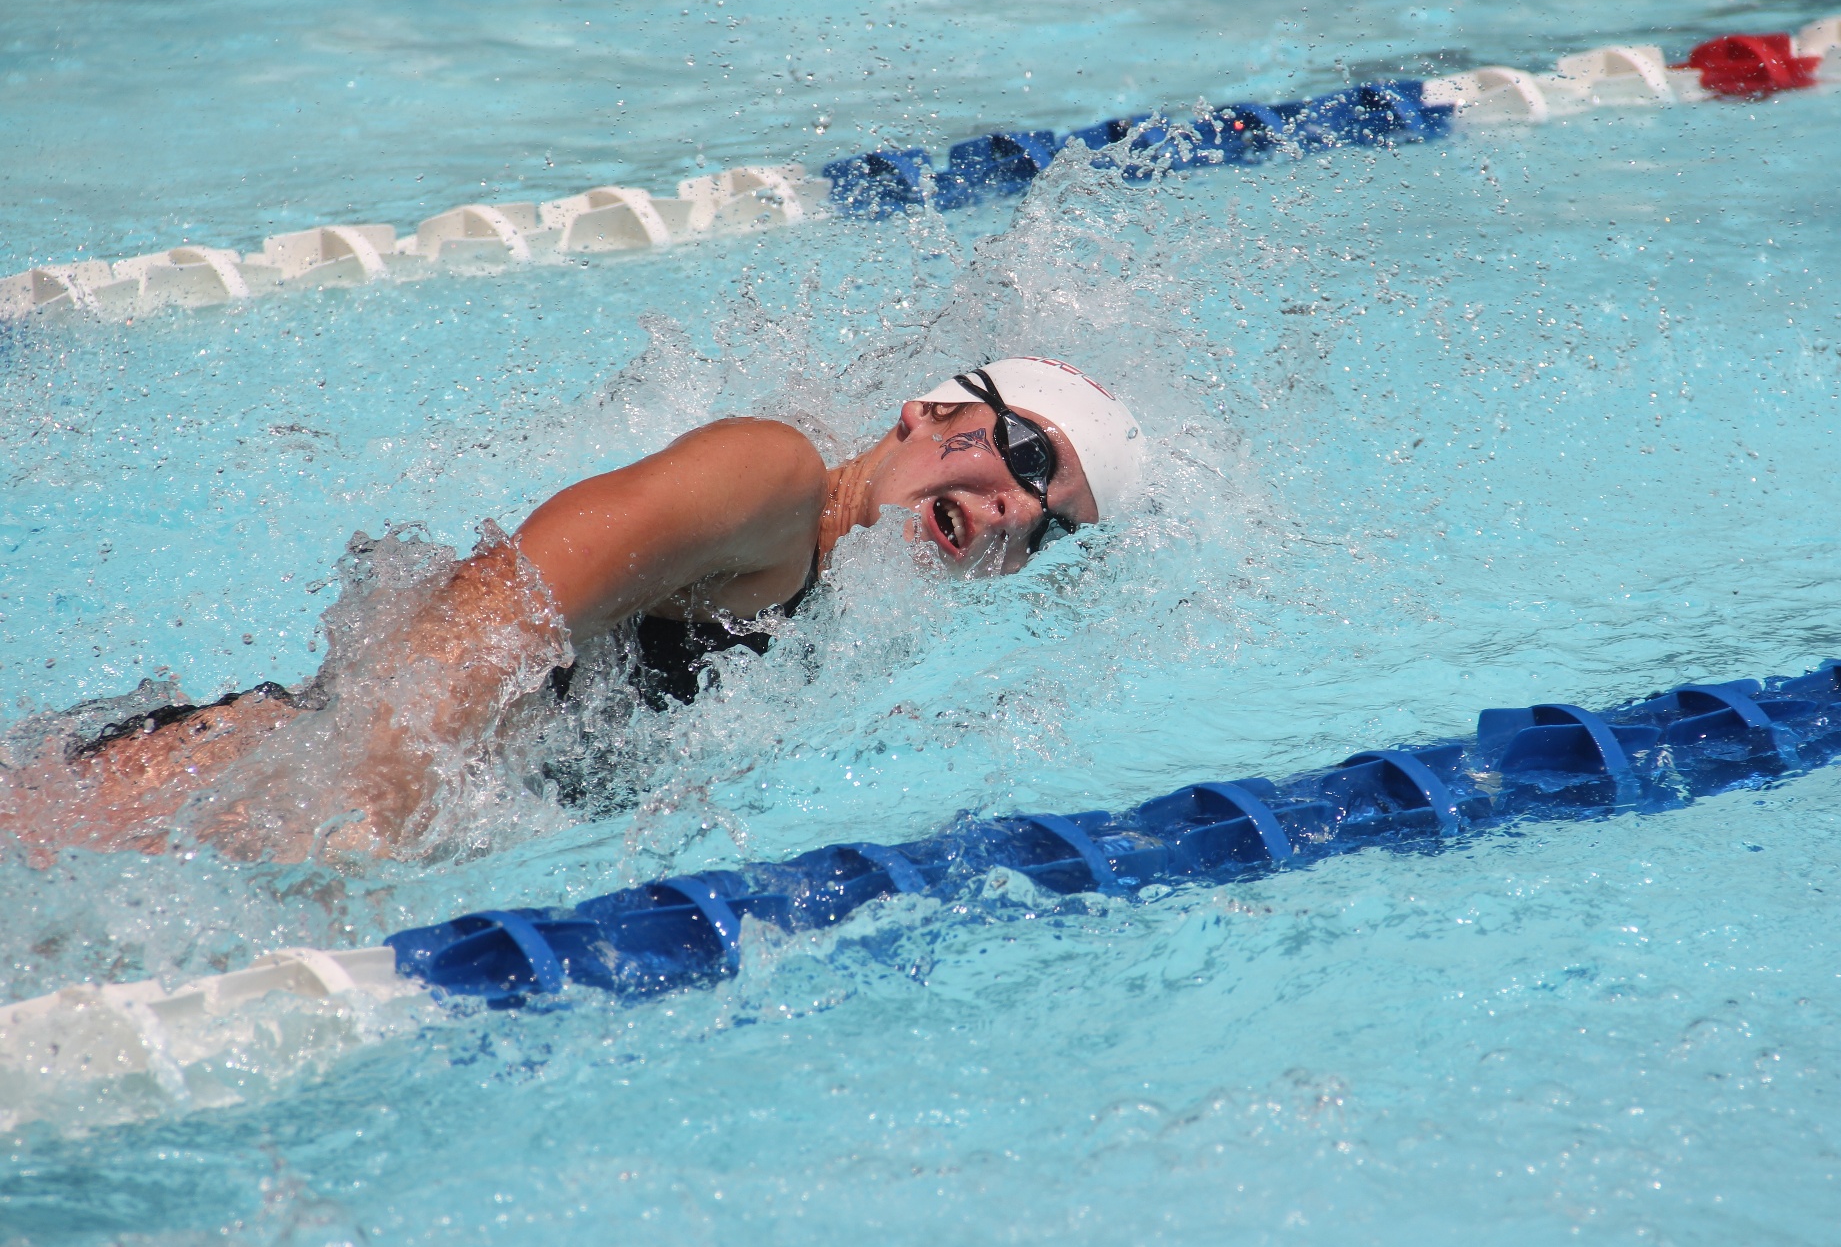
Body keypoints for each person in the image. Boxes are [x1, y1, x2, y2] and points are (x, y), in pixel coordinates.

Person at [1, 357, 1145, 862]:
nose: (1014, 512)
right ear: (930, 408)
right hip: (224, 787)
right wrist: (357, 835)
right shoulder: (772, 478)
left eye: (1053, 526)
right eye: (1029, 456)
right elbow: (485, 612)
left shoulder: (834, 603)